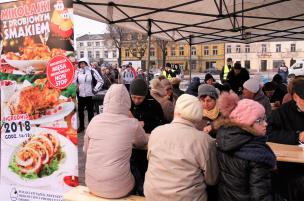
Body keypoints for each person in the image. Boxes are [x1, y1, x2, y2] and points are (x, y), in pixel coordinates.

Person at [144, 94, 219, 201]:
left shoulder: (156, 132)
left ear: (176, 110)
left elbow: (150, 160)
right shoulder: (204, 141)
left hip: (152, 196)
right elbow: (212, 179)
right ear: (198, 115)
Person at [84, 84, 149, 199]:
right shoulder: (132, 123)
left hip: (92, 184)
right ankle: (142, 193)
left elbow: (86, 149)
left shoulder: (94, 120)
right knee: (135, 164)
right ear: (127, 102)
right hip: (119, 189)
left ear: (106, 100)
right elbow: (142, 143)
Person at [214, 92, 276, 201]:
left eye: (264, 118)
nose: (265, 123)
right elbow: (260, 196)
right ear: (247, 124)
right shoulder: (257, 155)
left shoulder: (224, 140)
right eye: (259, 120)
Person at [267, 80, 304, 201]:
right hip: (291, 165)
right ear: (295, 97)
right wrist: (296, 136)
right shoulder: (282, 112)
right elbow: (269, 133)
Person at [129, 79, 165, 195]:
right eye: (133, 97)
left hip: (147, 150)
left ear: (145, 95)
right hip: (131, 149)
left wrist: (145, 123)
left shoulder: (154, 105)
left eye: (139, 98)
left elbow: (161, 124)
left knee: (144, 176)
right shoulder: (128, 104)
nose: (136, 101)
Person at [75, 57, 104, 133]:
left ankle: (91, 127)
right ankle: (81, 127)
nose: (82, 65)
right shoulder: (77, 72)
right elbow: (73, 82)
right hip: (80, 95)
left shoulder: (92, 71)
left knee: (90, 112)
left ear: (86, 63)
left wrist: (95, 90)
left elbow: (100, 81)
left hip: (89, 95)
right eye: (80, 64)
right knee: (80, 112)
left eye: (83, 63)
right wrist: (75, 88)